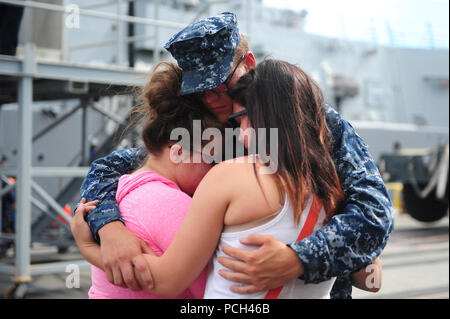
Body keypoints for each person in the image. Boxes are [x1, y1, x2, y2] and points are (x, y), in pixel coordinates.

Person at [76, 12, 393, 299]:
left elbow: (375, 213)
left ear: (249, 62)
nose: (211, 98)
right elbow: (111, 168)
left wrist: (298, 259)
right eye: (199, 89)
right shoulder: (205, 126)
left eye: (220, 84)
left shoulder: (314, 120)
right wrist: (110, 228)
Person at [73, 61, 224, 298]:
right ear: (179, 151)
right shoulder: (170, 204)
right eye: (213, 160)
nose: (217, 170)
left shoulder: (123, 187)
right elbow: (219, 293)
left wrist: (91, 248)